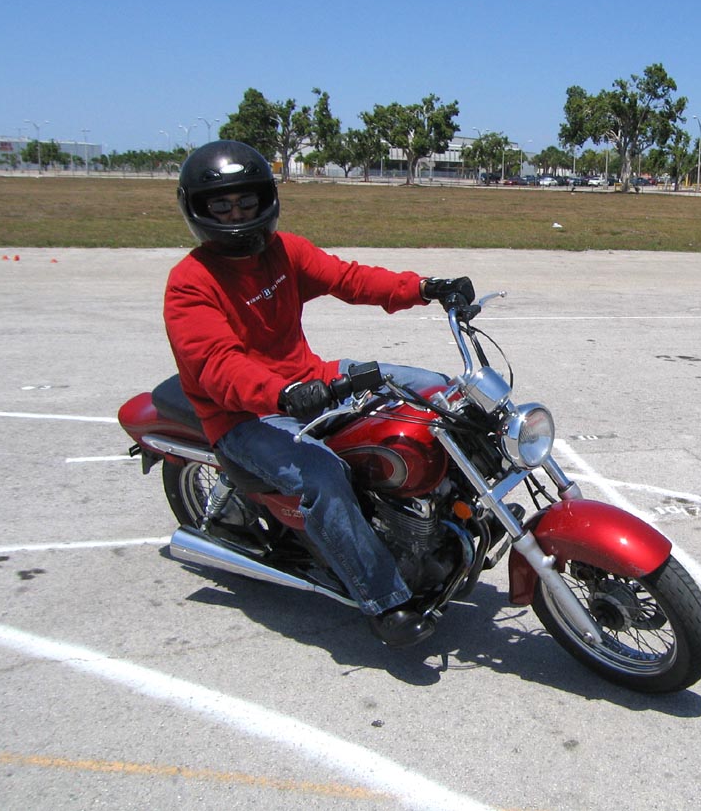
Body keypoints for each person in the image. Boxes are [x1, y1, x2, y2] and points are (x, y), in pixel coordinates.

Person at [164, 140, 474, 647]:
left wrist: (424, 288)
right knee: (323, 476)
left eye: (245, 201)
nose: (236, 214)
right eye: (221, 205)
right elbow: (217, 365)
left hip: (312, 380)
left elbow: (349, 279)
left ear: (266, 199)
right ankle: (384, 601)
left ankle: (450, 512)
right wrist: (282, 392)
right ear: (198, 210)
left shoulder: (284, 251)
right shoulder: (190, 283)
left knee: (435, 390)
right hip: (242, 416)